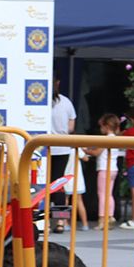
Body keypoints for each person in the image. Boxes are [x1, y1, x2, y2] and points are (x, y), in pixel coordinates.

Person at [48, 88, 77, 230]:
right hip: (62, 147)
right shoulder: (66, 101)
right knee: (59, 183)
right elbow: (71, 127)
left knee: (43, 183)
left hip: (43, 147)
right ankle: (61, 222)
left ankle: (44, 222)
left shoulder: (40, 101)